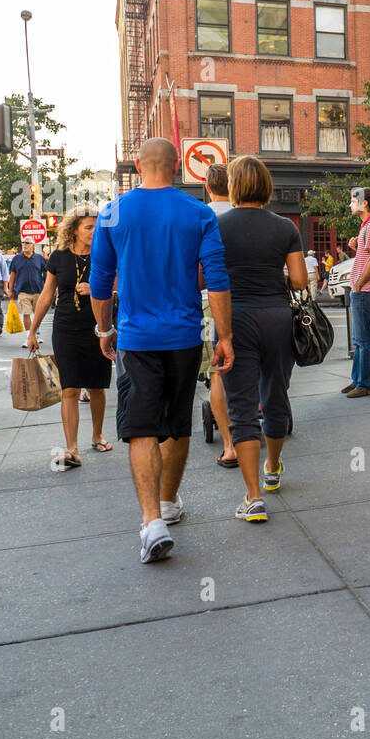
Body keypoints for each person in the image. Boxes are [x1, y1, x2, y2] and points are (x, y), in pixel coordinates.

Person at [89, 137, 233, 564]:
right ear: (177, 167)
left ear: (138, 165)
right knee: (177, 422)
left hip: (136, 339)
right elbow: (218, 278)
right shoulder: (199, 212)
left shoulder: (113, 212)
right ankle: (168, 502)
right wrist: (224, 336)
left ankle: (152, 521)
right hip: (186, 336)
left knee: (141, 427)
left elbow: (100, 281)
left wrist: (104, 328)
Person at [216, 156, 307, 522]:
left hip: (234, 318)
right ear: (266, 186)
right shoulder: (285, 227)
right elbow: (299, 281)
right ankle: (273, 466)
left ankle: (253, 498)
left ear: (234, 186)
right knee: (275, 394)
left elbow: (204, 278)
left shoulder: (216, 226)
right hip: (276, 318)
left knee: (241, 405)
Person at [26, 204, 113, 466]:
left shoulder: (106, 255)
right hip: (65, 329)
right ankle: (72, 449)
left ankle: (97, 435)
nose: (94, 230)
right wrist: (33, 330)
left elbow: (122, 284)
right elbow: (46, 294)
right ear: (73, 230)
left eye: (98, 226)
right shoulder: (58, 256)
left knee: (97, 387)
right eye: (88, 226)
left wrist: (98, 287)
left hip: (98, 329)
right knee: (70, 388)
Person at [204, 162, 238, 468]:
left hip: (208, 304)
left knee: (217, 371)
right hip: (244, 300)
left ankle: (229, 445)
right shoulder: (243, 217)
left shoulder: (201, 217)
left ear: (207, 187)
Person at [343, 187, 370, 398]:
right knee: (358, 340)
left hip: (365, 290)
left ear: (364, 202)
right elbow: (366, 257)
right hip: (359, 289)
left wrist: (359, 283)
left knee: (365, 339)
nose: (350, 205)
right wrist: (356, 246)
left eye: (353, 201)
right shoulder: (366, 227)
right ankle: (357, 380)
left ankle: (367, 384)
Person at [7, 239, 48, 333]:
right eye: (23, 243)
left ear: (33, 245)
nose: (24, 245)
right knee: (26, 313)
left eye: (27, 243)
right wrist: (10, 290)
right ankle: (29, 336)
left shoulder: (39, 258)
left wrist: (47, 287)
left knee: (38, 314)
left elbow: (47, 272)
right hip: (22, 291)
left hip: (38, 291)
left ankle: (36, 333)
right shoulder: (17, 258)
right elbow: (13, 275)